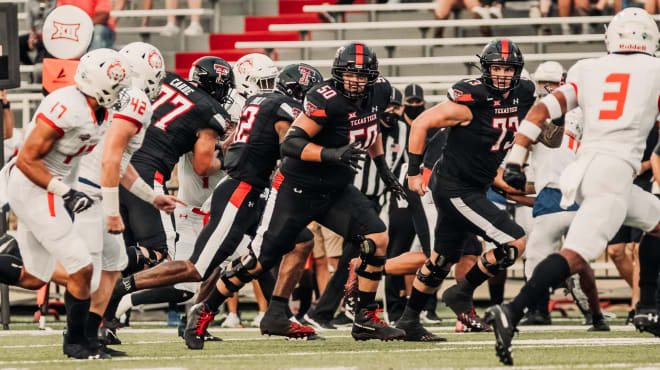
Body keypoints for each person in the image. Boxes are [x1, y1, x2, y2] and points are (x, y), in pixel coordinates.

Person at [185, 42, 408, 347]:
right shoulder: (325, 98)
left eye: (362, 75)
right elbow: (291, 143)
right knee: (259, 260)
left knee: (377, 238)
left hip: (336, 189)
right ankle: (204, 310)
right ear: (338, 73)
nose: (356, 81)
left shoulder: (379, 91)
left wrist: (383, 168)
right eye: (350, 74)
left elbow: (370, 130)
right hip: (297, 189)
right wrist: (331, 154)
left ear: (372, 76)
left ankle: (365, 318)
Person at [486, 8, 660, 366]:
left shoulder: (586, 68)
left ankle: (647, 307)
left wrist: (516, 161)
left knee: (657, 224)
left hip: (585, 171)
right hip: (613, 173)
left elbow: (537, 114)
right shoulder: (656, 70)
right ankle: (512, 311)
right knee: (577, 255)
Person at [397, 39, 536, 342]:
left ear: (518, 71)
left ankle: (408, 320)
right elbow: (421, 124)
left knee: (440, 260)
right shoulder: (471, 99)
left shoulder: (525, 94)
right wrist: (412, 172)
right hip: (455, 188)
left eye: (508, 68)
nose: (502, 74)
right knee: (514, 241)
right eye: (496, 67)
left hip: (473, 185)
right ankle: (462, 292)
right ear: (486, 69)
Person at [1, 48, 128, 359]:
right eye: (115, 84)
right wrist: (66, 192)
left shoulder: (102, 109)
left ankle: (80, 340)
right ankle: (77, 343)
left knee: (34, 277)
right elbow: (27, 161)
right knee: (82, 266)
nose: (120, 90)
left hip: (52, 187)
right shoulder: (65, 107)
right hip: (34, 185)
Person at [100, 56, 232, 333]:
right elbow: (202, 164)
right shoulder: (211, 110)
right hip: (146, 177)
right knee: (161, 256)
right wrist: (229, 158)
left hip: (115, 166)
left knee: (121, 255)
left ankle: (103, 324)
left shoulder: (167, 78)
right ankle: (97, 264)